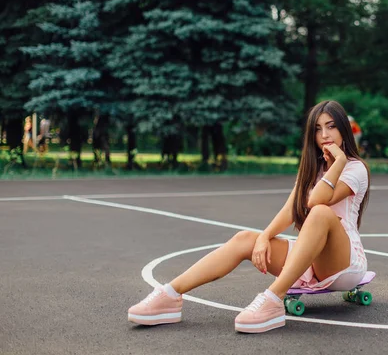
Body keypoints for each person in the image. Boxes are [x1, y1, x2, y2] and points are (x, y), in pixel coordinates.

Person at [127, 100, 371, 333]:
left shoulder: (355, 168)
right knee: (245, 239)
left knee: (319, 213)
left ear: (343, 129)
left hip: (344, 263)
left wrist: (338, 162)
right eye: (317, 129)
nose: (324, 135)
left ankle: (273, 298)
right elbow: (291, 209)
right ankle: (170, 295)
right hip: (312, 258)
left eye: (331, 127)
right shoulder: (312, 166)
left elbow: (317, 201)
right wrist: (264, 237)